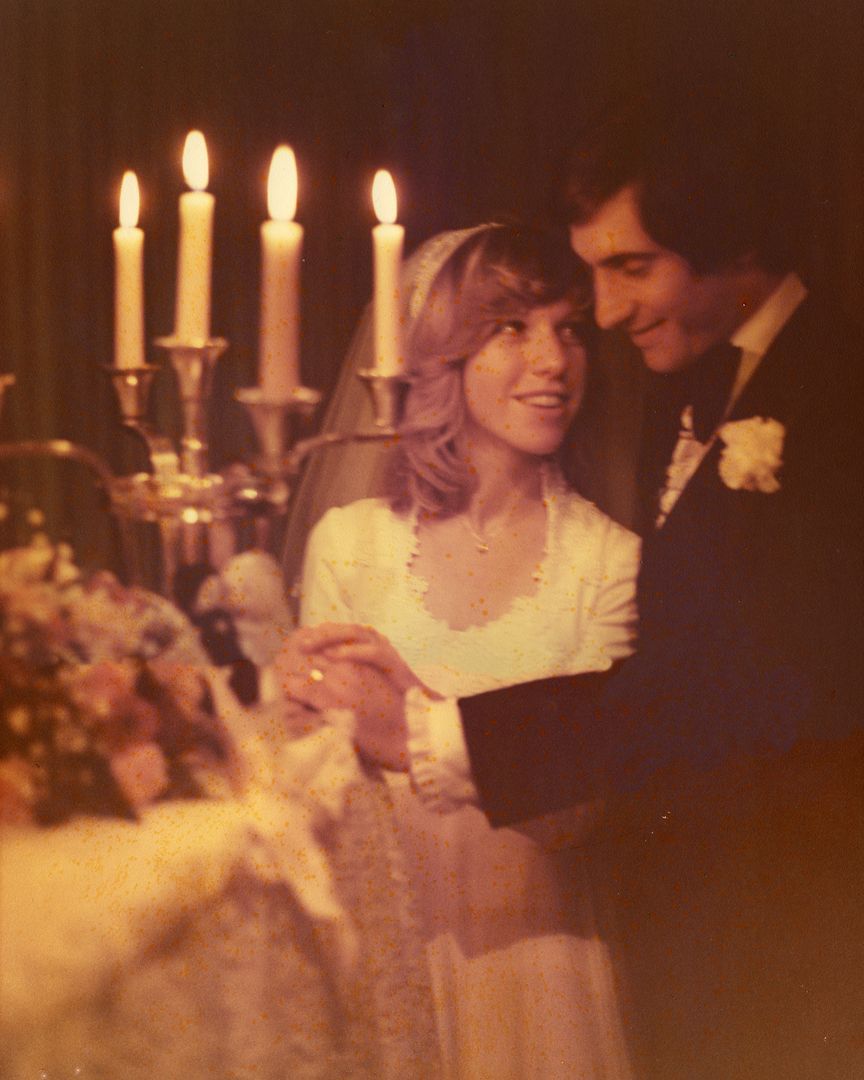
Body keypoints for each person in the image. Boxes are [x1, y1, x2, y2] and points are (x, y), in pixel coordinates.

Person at [285, 93, 864, 1079]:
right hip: (413, 945)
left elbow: (701, 707)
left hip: (691, 951)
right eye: (513, 328)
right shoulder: (692, 399)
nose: (587, 329)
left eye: (627, 270)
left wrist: (421, 725)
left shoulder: (827, 403)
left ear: (728, 237)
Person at [293, 223, 640, 1079]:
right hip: (384, 954)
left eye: (569, 328)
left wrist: (415, 712)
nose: (555, 359)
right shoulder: (350, 543)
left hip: (541, 969)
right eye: (512, 328)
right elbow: (317, 789)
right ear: (439, 354)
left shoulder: (613, 559)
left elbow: (592, 808)